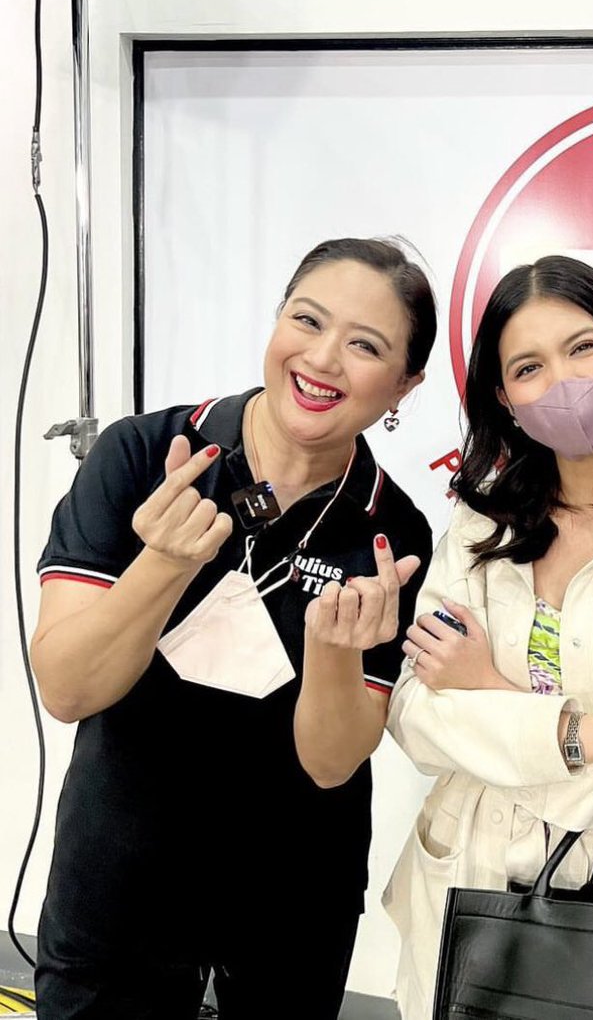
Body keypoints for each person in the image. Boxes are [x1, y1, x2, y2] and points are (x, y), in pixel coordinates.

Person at [296, 254, 593, 1017]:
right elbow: (417, 721)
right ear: (505, 399)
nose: (564, 382)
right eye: (529, 367)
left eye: (584, 348)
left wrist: (488, 691)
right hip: (461, 899)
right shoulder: (479, 525)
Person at [31, 237, 436, 1019]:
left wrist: (333, 651)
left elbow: (332, 762)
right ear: (277, 319)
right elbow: (67, 687)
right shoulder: (147, 454)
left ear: (404, 385)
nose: (322, 358)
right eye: (307, 320)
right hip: (118, 882)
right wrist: (163, 563)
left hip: (293, 903)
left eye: (365, 346)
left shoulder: (392, 531)